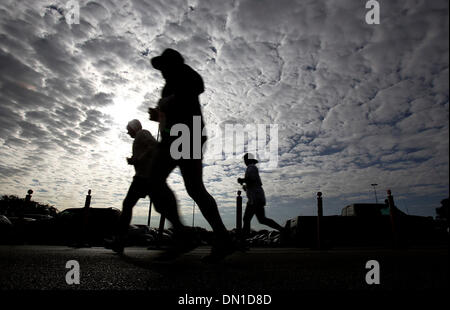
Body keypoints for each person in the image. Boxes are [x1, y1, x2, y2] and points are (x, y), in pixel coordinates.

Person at [147, 48, 234, 261]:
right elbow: (173, 111)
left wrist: (170, 104)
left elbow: (197, 86)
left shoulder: (183, 72)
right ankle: (222, 238)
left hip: (184, 134)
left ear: (172, 63)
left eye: (164, 66)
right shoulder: (169, 83)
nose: (162, 71)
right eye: (160, 68)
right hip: (181, 134)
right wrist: (159, 115)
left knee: (154, 181)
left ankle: (182, 234)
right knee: (194, 188)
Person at [106, 119, 157, 254]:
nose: (128, 132)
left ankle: (119, 240)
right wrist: (135, 159)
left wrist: (137, 159)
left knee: (127, 205)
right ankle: (183, 233)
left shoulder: (142, 133)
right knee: (163, 206)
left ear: (134, 127)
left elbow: (153, 146)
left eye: (128, 129)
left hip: (143, 178)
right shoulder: (139, 138)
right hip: (147, 177)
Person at [238, 153, 284, 240]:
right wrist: (245, 187)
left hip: (254, 199)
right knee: (262, 219)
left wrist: (242, 180)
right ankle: (282, 230)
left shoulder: (251, 167)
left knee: (246, 219)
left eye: (245, 159)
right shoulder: (252, 168)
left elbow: (251, 180)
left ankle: (243, 241)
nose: (244, 161)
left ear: (248, 160)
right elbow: (253, 183)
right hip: (257, 197)